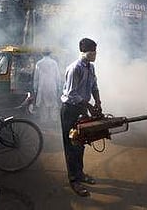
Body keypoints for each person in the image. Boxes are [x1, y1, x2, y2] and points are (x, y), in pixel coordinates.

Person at [60, 38, 102, 197]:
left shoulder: (91, 67)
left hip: (82, 108)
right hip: (70, 109)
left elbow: (94, 86)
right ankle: (74, 180)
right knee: (71, 144)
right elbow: (71, 94)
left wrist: (97, 101)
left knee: (81, 142)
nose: (96, 54)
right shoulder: (74, 68)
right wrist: (89, 106)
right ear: (86, 51)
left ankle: (81, 173)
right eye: (94, 51)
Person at [33, 48, 61, 126]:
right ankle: (54, 121)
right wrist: (59, 87)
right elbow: (57, 76)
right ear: (50, 53)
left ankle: (44, 122)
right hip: (52, 86)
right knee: (53, 103)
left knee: (43, 105)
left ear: (42, 54)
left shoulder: (39, 63)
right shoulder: (54, 63)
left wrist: (35, 89)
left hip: (42, 87)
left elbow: (36, 78)